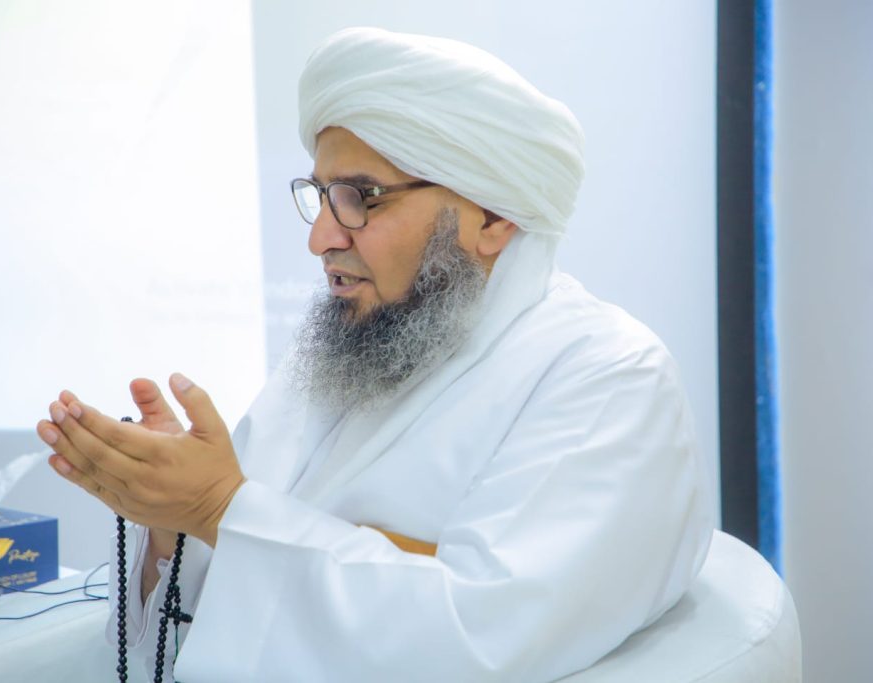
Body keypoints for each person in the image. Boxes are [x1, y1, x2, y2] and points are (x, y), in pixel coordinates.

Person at [37, 27, 713, 682]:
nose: (321, 238)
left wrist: (218, 508)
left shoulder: (609, 377)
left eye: (361, 198)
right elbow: (218, 591)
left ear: (493, 215)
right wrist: (169, 516)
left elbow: (478, 635)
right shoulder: (363, 340)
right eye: (321, 196)